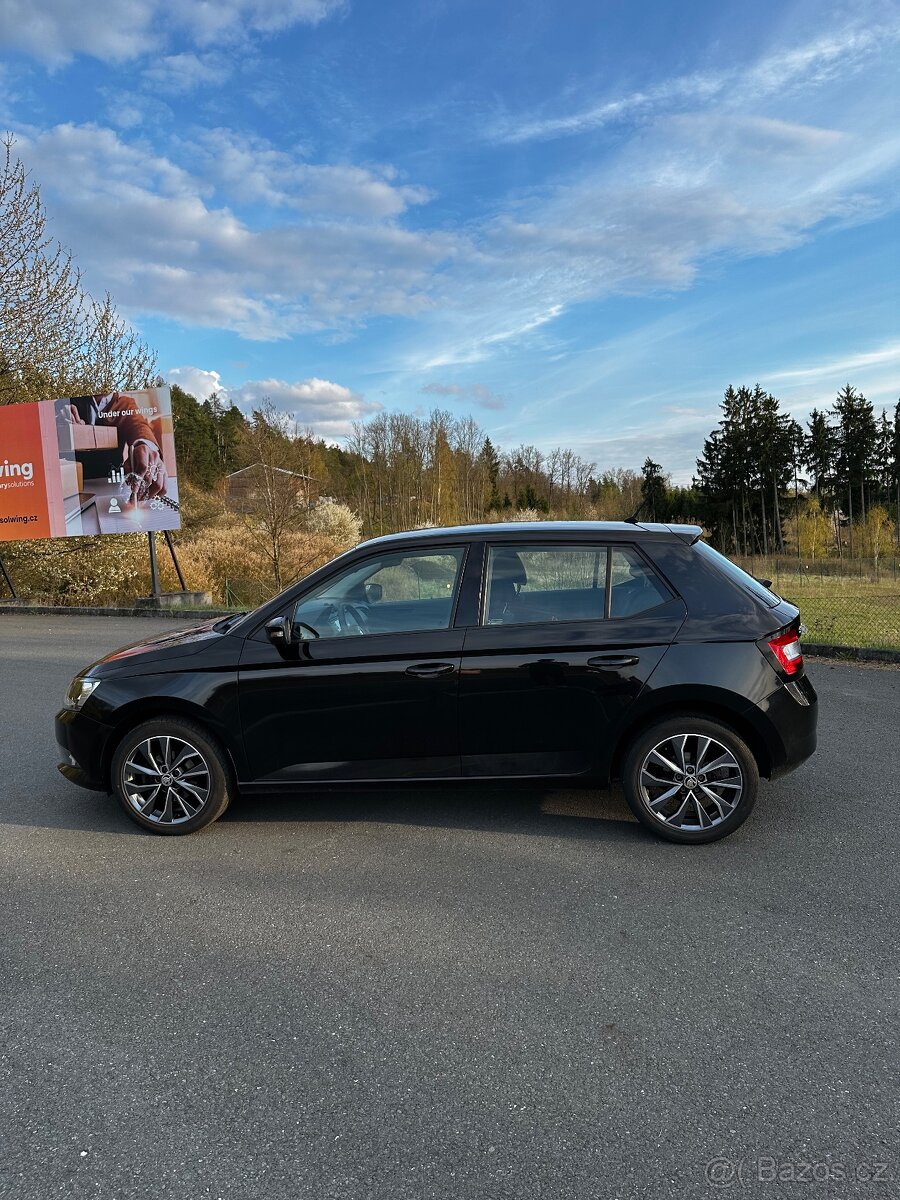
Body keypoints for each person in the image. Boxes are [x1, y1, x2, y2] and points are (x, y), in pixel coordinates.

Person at [64, 393, 167, 504]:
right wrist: (57, 422)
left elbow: (139, 425)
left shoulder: (126, 404)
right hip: (72, 486)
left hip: (113, 484)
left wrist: (146, 445)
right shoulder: (68, 400)